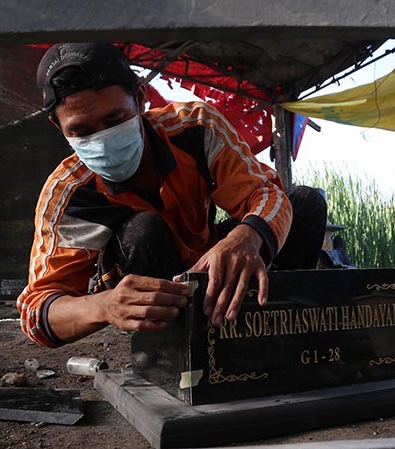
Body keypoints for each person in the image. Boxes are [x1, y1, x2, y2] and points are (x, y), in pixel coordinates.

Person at [17, 42, 326, 347]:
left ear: (139, 99)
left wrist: (245, 238)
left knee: (305, 204)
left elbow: (264, 193)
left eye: (115, 120)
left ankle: (273, 327)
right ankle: (167, 352)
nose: (103, 139)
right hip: (151, 289)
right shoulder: (71, 195)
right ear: (57, 126)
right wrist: (105, 305)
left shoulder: (196, 128)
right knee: (143, 230)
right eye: (82, 131)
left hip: (207, 260)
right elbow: (37, 311)